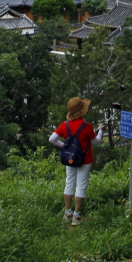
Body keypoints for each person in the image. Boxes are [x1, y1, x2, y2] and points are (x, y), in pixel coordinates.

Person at [49, 96, 103, 225]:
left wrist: (65, 146)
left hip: (70, 158)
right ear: (82, 111)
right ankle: (76, 216)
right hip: (85, 159)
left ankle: (67, 213)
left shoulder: (65, 125)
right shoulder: (87, 126)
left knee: (69, 183)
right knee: (81, 185)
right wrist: (100, 131)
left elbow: (52, 139)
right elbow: (95, 142)